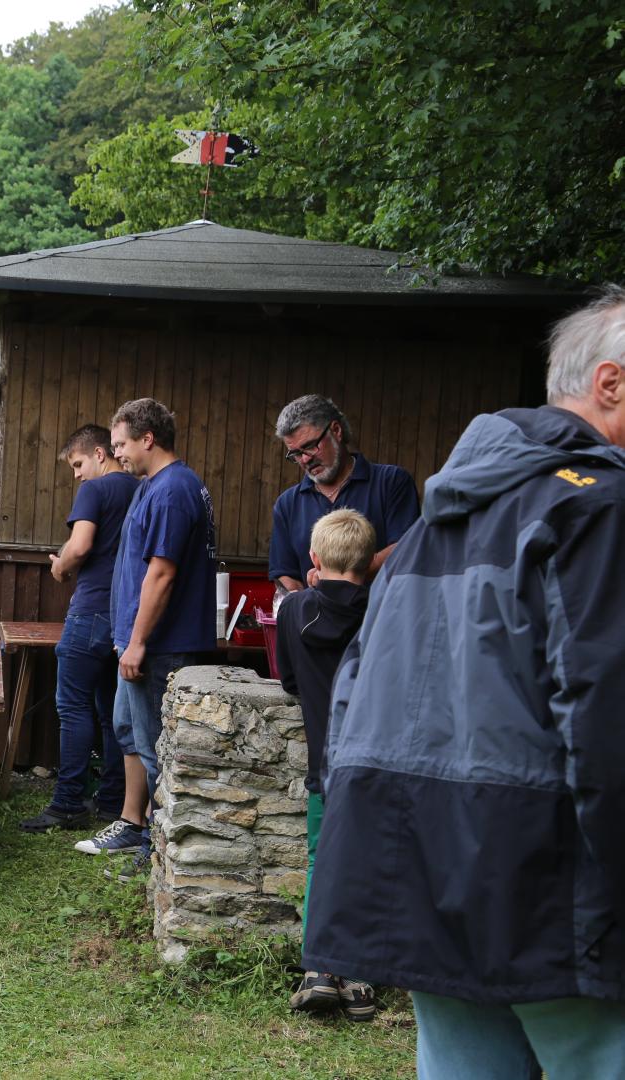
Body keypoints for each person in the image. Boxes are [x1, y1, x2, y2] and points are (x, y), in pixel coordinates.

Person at [305, 288, 625, 1077]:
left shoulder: (429, 528)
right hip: (543, 873)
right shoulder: (602, 507)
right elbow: (607, 716)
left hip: (414, 858)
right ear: (611, 385)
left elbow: (351, 698)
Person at [80, 398, 215, 882]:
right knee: (128, 732)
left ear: (147, 438)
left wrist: (136, 643)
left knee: (161, 750)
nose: (117, 456)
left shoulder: (174, 489)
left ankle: (161, 852)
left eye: (120, 445)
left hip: (161, 645)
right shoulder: (153, 485)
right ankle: (136, 826)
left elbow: (161, 574)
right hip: (138, 642)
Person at [272, 509, 376, 1022]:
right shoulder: (385, 612)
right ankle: (358, 979)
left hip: (324, 764)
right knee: (369, 865)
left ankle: (319, 970)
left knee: (320, 860)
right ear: (368, 562)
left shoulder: (293, 611)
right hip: (379, 768)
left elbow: (288, 680)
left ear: (314, 559)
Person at [22, 424, 135, 833]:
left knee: (72, 707)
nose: (76, 474)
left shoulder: (97, 490)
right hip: (124, 614)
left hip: (90, 611)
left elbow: (82, 544)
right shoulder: (141, 488)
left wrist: (59, 565)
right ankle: (111, 801)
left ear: (101, 454)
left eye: (78, 463)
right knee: (110, 712)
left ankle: (68, 802)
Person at [267, 394, 419, 593]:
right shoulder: (287, 504)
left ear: (336, 431)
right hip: (316, 622)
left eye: (310, 446)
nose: (304, 460)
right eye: (295, 454)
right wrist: (301, 609)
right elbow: (284, 572)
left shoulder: (391, 482)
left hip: (381, 620)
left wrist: (337, 581)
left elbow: (407, 547)